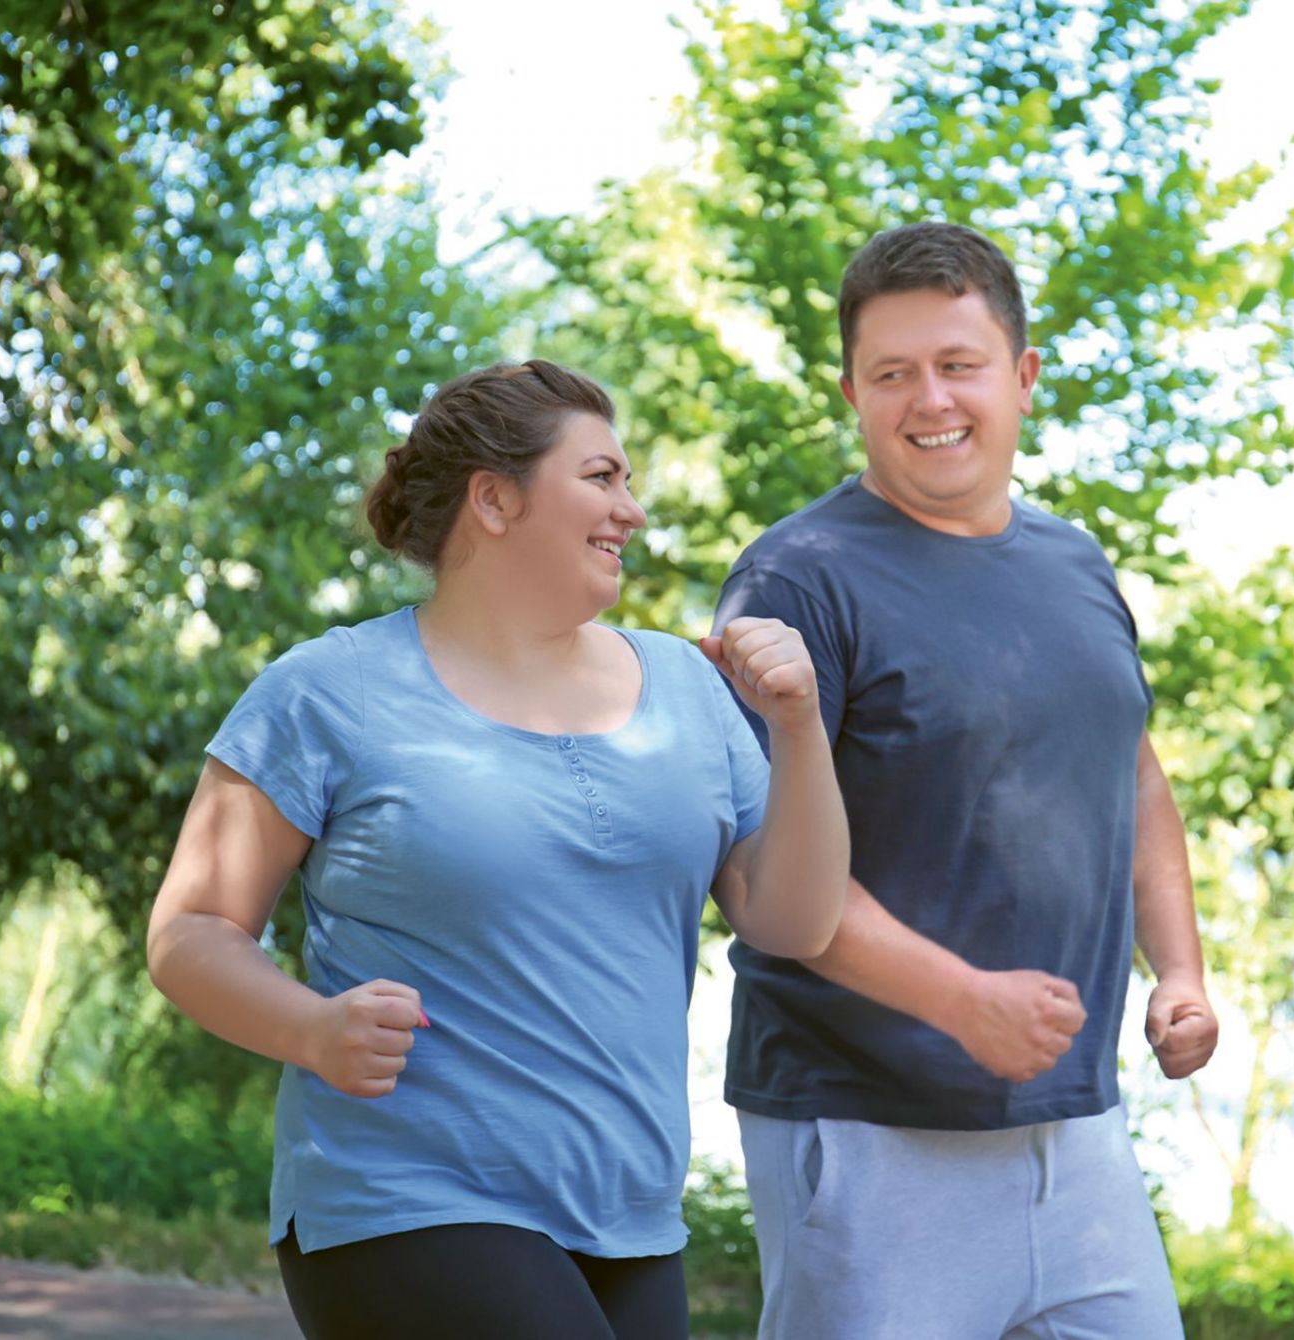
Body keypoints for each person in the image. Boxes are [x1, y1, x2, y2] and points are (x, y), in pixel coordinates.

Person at [146, 359, 849, 1340]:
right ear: (495, 498)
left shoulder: (689, 690)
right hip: (403, 1197)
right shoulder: (330, 691)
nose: (633, 511)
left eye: (629, 480)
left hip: (631, 1212)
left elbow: (797, 917)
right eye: (602, 477)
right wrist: (309, 1028)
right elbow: (191, 930)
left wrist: (801, 724)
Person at [713, 221, 1219, 1339]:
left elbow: (1131, 779)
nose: (927, 398)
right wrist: (958, 998)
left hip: (1078, 1132)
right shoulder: (795, 579)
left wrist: (1177, 970)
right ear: (852, 390)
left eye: (958, 364)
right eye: (892, 373)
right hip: (866, 1132)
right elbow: (760, 872)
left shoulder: (1076, 565)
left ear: (1023, 377)